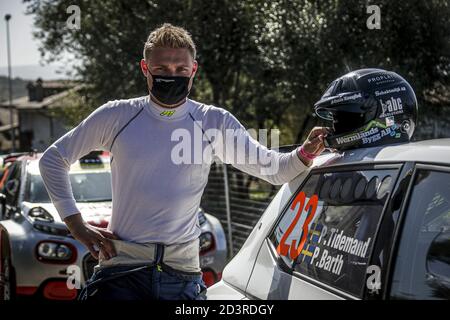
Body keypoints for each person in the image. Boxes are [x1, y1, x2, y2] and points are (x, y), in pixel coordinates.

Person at [39, 23, 328, 300]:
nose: (171, 75)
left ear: (193, 71)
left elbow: (274, 170)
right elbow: (53, 160)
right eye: (161, 69)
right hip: (121, 273)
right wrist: (76, 224)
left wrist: (306, 152)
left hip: (182, 277)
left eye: (180, 69)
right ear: (145, 69)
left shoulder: (213, 122)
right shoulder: (116, 116)